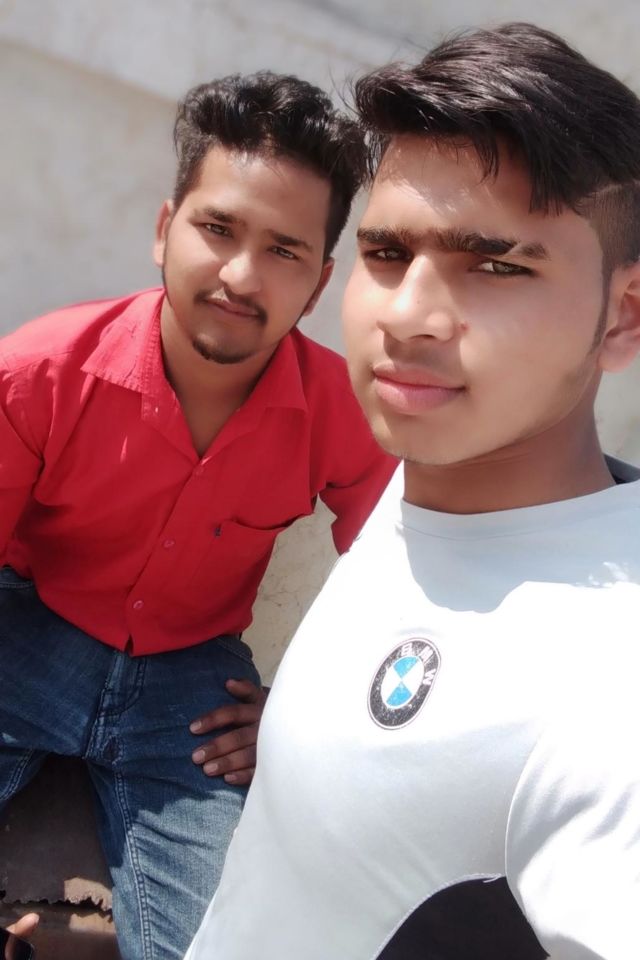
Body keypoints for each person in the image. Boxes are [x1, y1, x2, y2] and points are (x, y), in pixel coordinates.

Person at [184, 23, 640, 960]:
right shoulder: (430, 473)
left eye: (498, 266)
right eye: (387, 254)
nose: (408, 316)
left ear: (622, 316)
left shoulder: (608, 687)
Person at [0, 72, 395, 960]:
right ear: (163, 228)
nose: (242, 275)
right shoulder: (38, 375)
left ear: (319, 283)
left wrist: (301, 718)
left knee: (229, 939)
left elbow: (406, 585)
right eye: (218, 229)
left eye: (284, 250)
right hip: (29, 635)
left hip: (192, 695)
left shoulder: (344, 415)